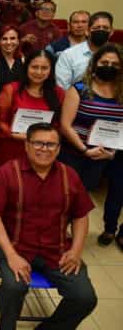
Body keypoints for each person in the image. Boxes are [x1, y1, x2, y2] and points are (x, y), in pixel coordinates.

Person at [0, 122, 97, 330]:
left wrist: (76, 250)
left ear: (59, 149)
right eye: (38, 143)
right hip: (16, 246)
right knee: (13, 287)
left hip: (57, 250)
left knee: (85, 298)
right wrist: (10, 254)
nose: (44, 149)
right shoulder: (8, 172)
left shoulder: (69, 175)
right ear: (26, 145)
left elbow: (81, 216)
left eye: (50, 145)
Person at [59, 44, 123, 248]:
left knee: (102, 193)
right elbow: (66, 125)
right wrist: (85, 150)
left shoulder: (121, 92)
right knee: (68, 196)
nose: (109, 66)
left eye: (114, 64)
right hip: (77, 152)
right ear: (95, 64)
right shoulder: (79, 89)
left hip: (109, 154)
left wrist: (112, 152)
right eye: (105, 63)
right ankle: (58, 233)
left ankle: (103, 229)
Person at [0, 49, 64, 183]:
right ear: (26, 67)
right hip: (8, 150)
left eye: (44, 68)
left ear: (51, 70)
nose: (39, 72)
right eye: (34, 67)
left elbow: (58, 125)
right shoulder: (11, 89)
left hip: (40, 152)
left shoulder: (58, 94)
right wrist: (14, 134)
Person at [56, 11, 114, 90]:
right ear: (87, 31)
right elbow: (62, 89)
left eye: (105, 28)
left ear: (111, 32)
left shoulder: (118, 55)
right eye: (96, 28)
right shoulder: (68, 55)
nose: (101, 30)